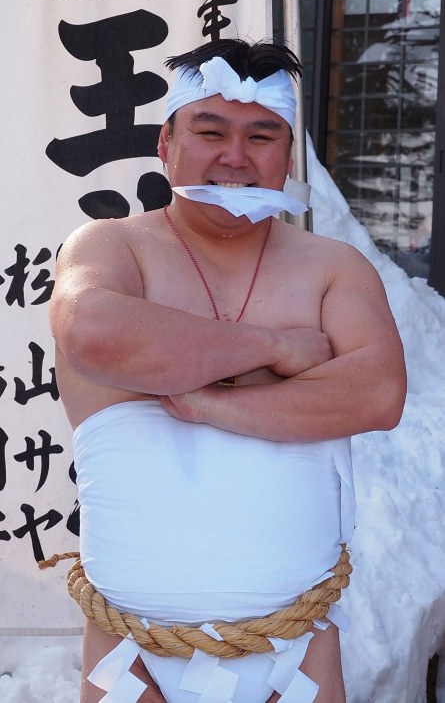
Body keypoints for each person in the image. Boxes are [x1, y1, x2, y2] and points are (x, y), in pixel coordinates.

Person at [49, 38, 406, 703]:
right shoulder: (111, 246)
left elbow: (377, 393)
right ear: (166, 144)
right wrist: (273, 349)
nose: (234, 157)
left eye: (261, 136)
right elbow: (96, 334)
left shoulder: (332, 268)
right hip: (132, 655)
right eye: (209, 131)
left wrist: (211, 400)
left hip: (291, 652)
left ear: (286, 155)